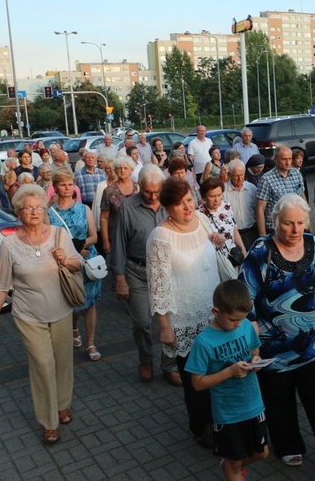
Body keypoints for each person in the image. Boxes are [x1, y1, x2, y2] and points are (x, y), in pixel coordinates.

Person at [239, 194, 315, 477]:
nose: (295, 230)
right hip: (272, 347)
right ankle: (287, 445)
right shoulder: (261, 251)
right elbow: (245, 301)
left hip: (312, 343)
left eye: (300, 223)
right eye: (288, 224)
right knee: (279, 401)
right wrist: (255, 343)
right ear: (275, 222)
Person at [0, 184, 83, 444]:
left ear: (44, 209)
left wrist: (66, 260)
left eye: (38, 207)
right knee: (42, 365)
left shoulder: (59, 234)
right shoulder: (9, 245)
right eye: (28, 208)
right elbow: (1, 286)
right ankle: (49, 422)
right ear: (18, 212)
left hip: (61, 309)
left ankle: (62, 405)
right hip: (28, 315)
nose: (34, 211)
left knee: (63, 362)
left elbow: (78, 263)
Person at [147, 177, 223, 447]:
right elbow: (158, 285)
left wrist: (217, 239)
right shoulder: (160, 236)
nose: (187, 207)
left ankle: (222, 421)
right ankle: (201, 427)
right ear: (167, 207)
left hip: (214, 315)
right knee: (195, 379)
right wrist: (165, 326)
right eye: (179, 204)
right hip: (184, 320)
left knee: (219, 372)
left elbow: (210, 253)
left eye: (189, 200)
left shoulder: (202, 219)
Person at [185, 280, 269, 480]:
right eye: (233, 319)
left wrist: (256, 360)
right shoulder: (203, 342)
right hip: (228, 413)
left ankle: (229, 466)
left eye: (242, 319)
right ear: (216, 311)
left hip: (254, 405)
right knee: (235, 464)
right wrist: (229, 372)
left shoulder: (246, 325)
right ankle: (231, 469)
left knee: (262, 453)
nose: (238, 324)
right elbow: (196, 383)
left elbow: (254, 350)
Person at [110, 165, 180, 386]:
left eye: (157, 191)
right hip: (137, 271)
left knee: (171, 321)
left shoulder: (171, 205)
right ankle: (146, 359)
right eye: (148, 191)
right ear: (139, 186)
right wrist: (119, 278)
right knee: (141, 322)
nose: (152, 196)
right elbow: (119, 244)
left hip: (168, 271)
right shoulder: (127, 207)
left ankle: (169, 364)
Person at [49, 169, 103, 361]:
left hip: (88, 263)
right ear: (55, 187)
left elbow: (94, 236)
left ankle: (91, 343)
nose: (67, 188)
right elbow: (50, 242)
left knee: (90, 304)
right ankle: (73, 328)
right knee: (72, 303)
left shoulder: (83, 209)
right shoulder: (50, 213)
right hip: (64, 263)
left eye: (70, 184)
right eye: (63, 184)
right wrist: (74, 249)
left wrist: (81, 246)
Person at [256, 146, 305, 236]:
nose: (288, 162)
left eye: (290, 159)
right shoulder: (266, 179)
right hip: (275, 228)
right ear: (275, 159)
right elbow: (260, 209)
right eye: (284, 159)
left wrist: (307, 224)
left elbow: (302, 198)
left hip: (295, 225)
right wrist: (262, 235)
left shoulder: (296, 174)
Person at [198, 177, 248, 259]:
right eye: (212, 196)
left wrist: (243, 250)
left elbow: (234, 229)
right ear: (204, 197)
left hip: (233, 255)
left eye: (219, 195)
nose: (216, 199)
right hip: (214, 258)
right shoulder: (199, 214)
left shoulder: (226, 206)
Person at [99, 156, 138, 255]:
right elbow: (104, 218)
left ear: (131, 170)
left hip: (136, 235)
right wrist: (106, 242)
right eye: (119, 168)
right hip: (116, 236)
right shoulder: (108, 191)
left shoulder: (138, 188)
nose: (122, 170)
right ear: (115, 170)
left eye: (125, 168)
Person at [224, 159, 259, 251]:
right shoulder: (223, 191)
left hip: (251, 232)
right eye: (236, 176)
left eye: (242, 175)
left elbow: (258, 210)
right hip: (233, 234)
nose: (240, 179)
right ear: (230, 175)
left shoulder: (252, 188)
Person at [92, 157, 116, 242]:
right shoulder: (101, 185)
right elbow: (96, 205)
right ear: (105, 171)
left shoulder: (122, 185)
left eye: (113, 168)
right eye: (108, 168)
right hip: (103, 222)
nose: (111, 170)